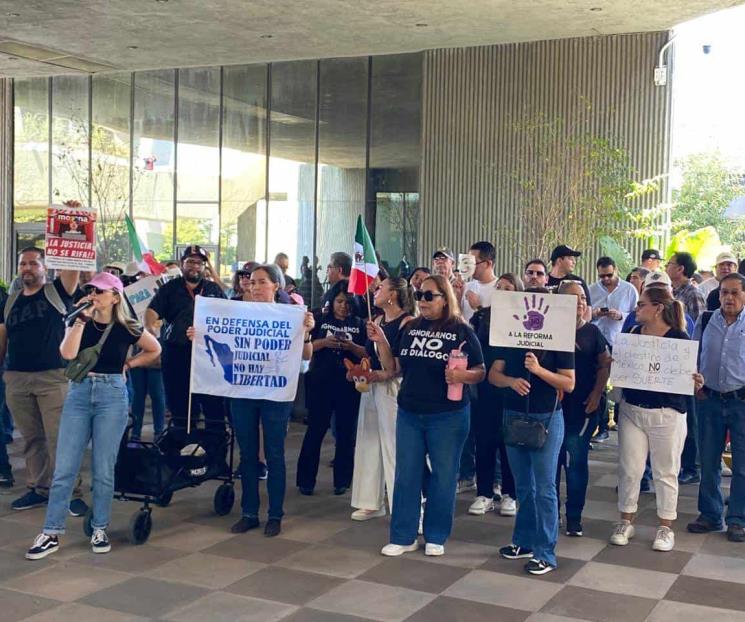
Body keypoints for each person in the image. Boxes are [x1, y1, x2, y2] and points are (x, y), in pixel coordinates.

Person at [25, 272, 161, 560]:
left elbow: (155, 349)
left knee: (103, 467)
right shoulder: (79, 321)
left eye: (100, 291)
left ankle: (100, 527)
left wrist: (130, 364)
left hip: (111, 394)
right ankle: (51, 532)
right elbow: (68, 353)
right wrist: (80, 319)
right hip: (80, 392)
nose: (94, 295)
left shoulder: (127, 326)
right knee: (65, 467)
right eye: (91, 290)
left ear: (115, 296)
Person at [370, 274, 485, 557]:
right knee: (406, 474)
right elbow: (394, 368)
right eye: (419, 295)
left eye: (429, 296)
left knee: (444, 476)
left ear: (445, 298)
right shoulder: (410, 327)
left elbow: (481, 371)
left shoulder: (462, 331)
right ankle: (403, 535)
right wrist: (383, 342)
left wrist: (462, 375)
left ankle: (435, 534)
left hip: (447, 414)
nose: (422, 301)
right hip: (410, 410)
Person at [198, 264, 315, 537]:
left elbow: (306, 356)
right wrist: (200, 336)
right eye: (251, 282)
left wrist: (307, 332)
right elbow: (217, 338)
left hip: (274, 393)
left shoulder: (291, 315)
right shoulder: (236, 312)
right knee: (247, 454)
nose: (254, 287)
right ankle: (249, 512)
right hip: (243, 391)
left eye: (261, 282)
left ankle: (275, 514)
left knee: (274, 453)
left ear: (276, 285)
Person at [489, 287, 575, 576]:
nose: (532, 317)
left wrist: (538, 371)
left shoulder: (560, 342)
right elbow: (493, 375)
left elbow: (568, 383)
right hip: (513, 414)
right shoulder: (509, 338)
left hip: (547, 418)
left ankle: (546, 553)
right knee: (523, 485)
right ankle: (523, 541)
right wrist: (511, 381)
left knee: (545, 488)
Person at [610, 287, 703, 552]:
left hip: (668, 413)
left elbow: (689, 373)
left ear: (658, 308)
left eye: (642, 305)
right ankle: (625, 520)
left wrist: (696, 380)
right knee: (630, 469)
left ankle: (665, 527)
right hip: (633, 409)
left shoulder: (679, 338)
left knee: (666, 471)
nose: (637, 309)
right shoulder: (633, 335)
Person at [0, 247, 88, 514]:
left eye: (33, 263)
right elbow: (3, 336)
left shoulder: (57, 292)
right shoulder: (11, 300)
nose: (27, 268)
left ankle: (71, 492)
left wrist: (72, 226)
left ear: (46, 267)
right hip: (17, 378)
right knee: (31, 439)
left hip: (53, 378)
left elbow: (72, 267)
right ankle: (40, 488)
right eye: (23, 264)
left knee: (60, 438)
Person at [350, 277, 415, 520]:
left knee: (392, 446)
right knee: (368, 441)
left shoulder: (407, 323)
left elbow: (399, 364)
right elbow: (368, 353)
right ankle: (370, 500)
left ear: (393, 295)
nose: (375, 291)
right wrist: (361, 369)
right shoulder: (377, 320)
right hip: (372, 385)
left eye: (380, 288)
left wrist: (383, 365)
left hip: (392, 388)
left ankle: (400, 503)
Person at [688, 273, 745, 542]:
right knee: (708, 461)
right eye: (724, 292)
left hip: (741, 403)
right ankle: (710, 515)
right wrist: (696, 383)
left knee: (742, 466)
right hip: (708, 400)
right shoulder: (706, 319)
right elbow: (692, 354)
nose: (729, 298)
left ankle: (737, 519)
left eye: (735, 292)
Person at [145, 245, 227, 432]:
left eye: (199, 263)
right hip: (177, 354)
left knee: (213, 407)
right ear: (182, 264)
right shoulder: (169, 288)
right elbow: (151, 311)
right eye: (190, 262)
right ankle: (181, 452)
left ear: (204, 266)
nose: (194, 266)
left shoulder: (213, 289)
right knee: (180, 408)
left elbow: (227, 316)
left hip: (209, 357)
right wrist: (150, 331)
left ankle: (215, 455)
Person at [297, 280, 367, 496]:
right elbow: (304, 346)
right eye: (339, 301)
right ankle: (306, 480)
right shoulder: (320, 319)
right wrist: (323, 343)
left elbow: (367, 353)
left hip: (349, 384)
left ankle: (342, 480)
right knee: (316, 430)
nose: (343, 306)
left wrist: (351, 347)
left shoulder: (359, 324)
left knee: (346, 433)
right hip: (320, 381)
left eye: (347, 303)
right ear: (332, 300)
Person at [556, 281, 611, 537]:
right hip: (551, 408)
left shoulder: (592, 332)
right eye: (572, 298)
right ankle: (551, 512)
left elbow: (605, 364)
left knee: (576, 461)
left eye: (582, 298)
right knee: (551, 463)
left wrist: (597, 393)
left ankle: (574, 517)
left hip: (583, 408)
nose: (579, 303)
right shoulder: (547, 331)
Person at [468, 273, 523, 518]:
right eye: (498, 287)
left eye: (508, 288)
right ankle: (485, 493)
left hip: (514, 387)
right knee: (485, 441)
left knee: (509, 442)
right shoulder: (482, 316)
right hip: (485, 388)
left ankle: (510, 493)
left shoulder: (526, 318)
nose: (501, 290)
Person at [590, 257, 638, 348]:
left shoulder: (629, 290)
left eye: (609, 275)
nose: (606, 278)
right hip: (596, 341)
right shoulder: (591, 290)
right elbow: (585, 315)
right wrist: (594, 313)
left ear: (616, 270)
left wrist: (620, 316)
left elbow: (636, 316)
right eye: (602, 276)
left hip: (620, 341)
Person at [666, 252, 706, 321]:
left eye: (669, 264)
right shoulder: (669, 290)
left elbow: (698, 325)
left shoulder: (693, 294)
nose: (665, 267)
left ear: (680, 269)